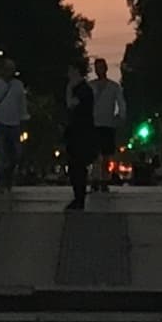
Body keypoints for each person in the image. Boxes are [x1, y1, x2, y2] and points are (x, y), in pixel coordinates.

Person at [61, 60, 101, 211]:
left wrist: (69, 89)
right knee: (75, 165)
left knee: (77, 165)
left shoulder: (83, 89)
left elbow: (71, 104)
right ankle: (78, 196)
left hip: (81, 132)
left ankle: (79, 198)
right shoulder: (83, 89)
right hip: (77, 131)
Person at [87, 55, 129, 191]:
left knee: (106, 154)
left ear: (105, 68)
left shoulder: (113, 87)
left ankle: (104, 180)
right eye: (97, 68)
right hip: (93, 123)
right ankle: (95, 178)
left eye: (101, 67)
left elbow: (121, 102)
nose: (99, 70)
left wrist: (120, 116)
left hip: (107, 123)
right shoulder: (90, 86)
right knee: (94, 155)